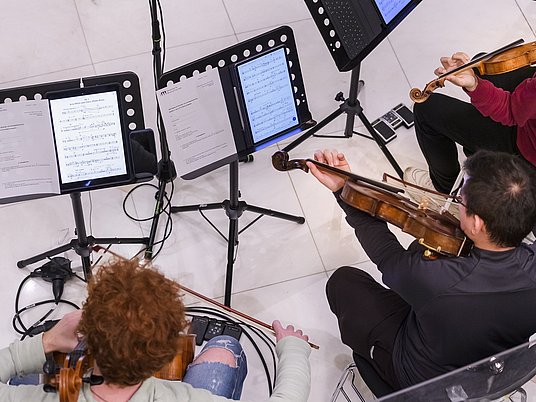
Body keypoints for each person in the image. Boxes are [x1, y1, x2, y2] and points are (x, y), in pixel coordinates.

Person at [308, 148, 536, 390]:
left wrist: (344, 188)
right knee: (420, 248)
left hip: (423, 380)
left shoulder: (435, 279)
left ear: (477, 223)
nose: (457, 205)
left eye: (461, 201)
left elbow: (387, 254)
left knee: (344, 281)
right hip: (492, 371)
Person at [0, 258, 311, 401]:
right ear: (166, 351)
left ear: (87, 341)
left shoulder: (55, 396)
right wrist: (293, 350)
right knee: (226, 346)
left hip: (75, 389)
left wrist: (47, 340)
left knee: (27, 373)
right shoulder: (180, 398)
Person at [407, 50, 536, 194]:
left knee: (427, 109)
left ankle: (449, 191)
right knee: (484, 65)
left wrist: (475, 85)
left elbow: (510, 110)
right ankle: (478, 144)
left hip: (525, 155)